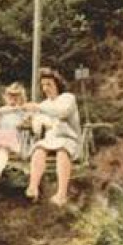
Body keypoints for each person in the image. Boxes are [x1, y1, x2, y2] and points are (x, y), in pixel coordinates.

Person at [24, 68, 81, 206]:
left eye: (49, 84)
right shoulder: (44, 104)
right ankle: (33, 187)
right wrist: (31, 121)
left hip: (69, 138)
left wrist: (38, 108)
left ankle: (61, 194)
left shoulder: (68, 98)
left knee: (62, 151)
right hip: (51, 140)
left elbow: (62, 112)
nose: (45, 88)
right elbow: (38, 128)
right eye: (43, 85)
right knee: (39, 148)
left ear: (57, 84)